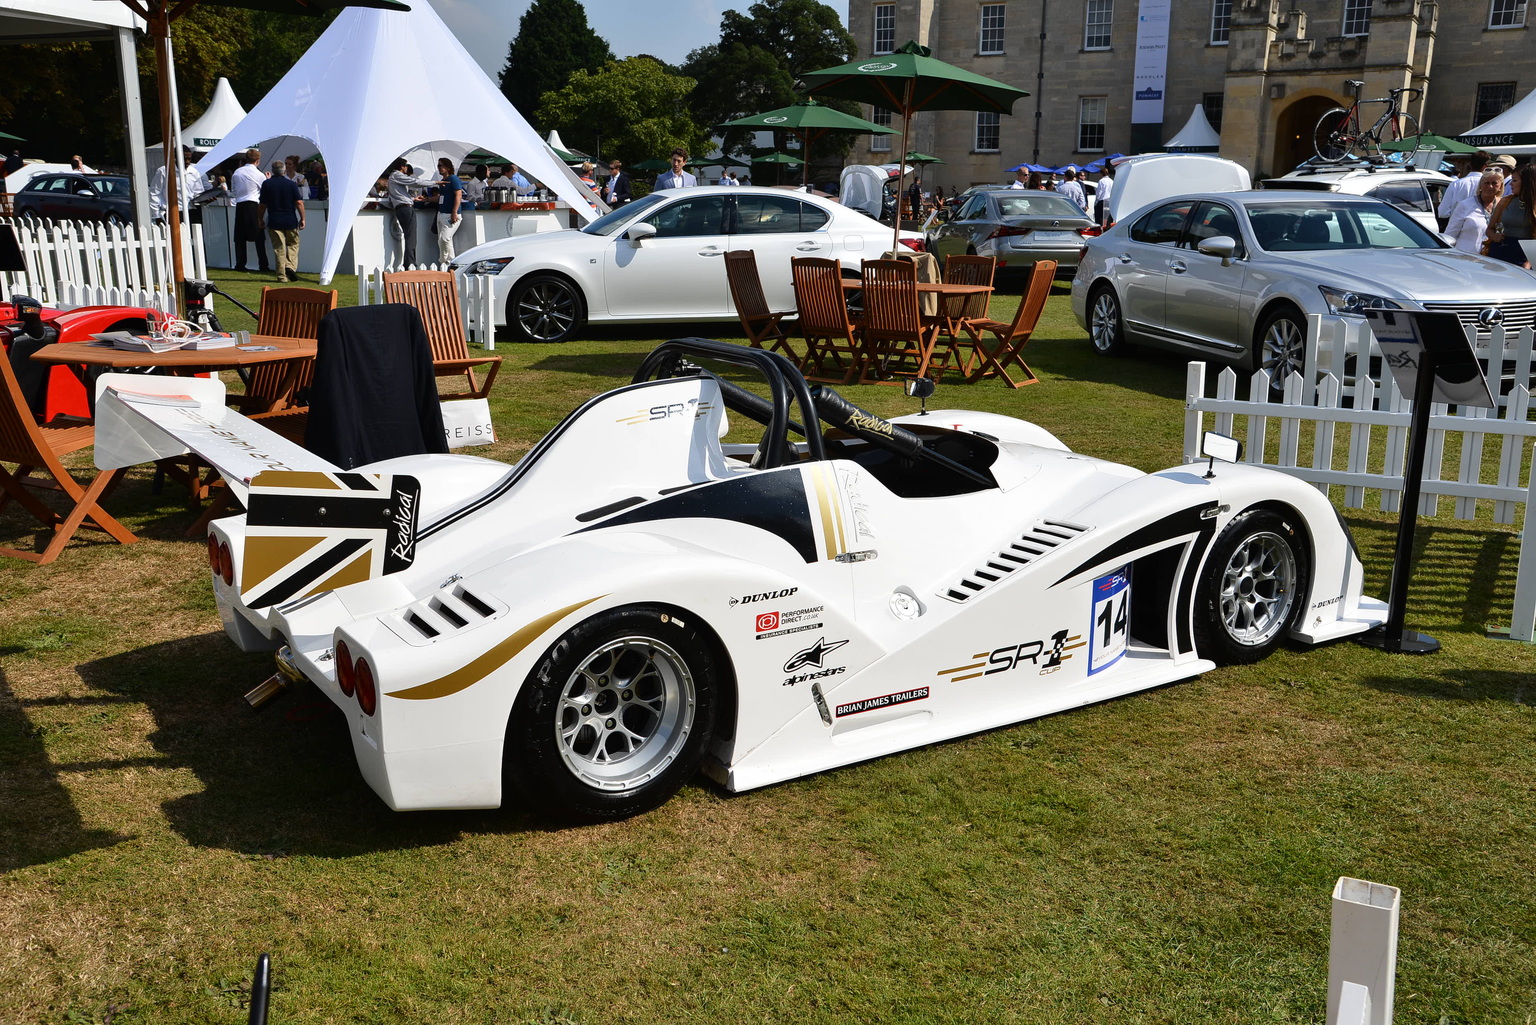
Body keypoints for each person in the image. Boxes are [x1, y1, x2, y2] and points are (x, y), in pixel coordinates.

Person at [258, 159, 305, 282]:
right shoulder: (291, 184)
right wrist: (303, 218)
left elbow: (262, 204)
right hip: (290, 220)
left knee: (279, 248)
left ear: (273, 171)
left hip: (274, 220)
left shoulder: (267, 184)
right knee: (293, 245)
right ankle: (290, 267)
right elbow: (299, 203)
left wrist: (260, 218)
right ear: (284, 170)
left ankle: (281, 276)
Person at [385, 157, 434, 268]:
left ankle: (409, 262)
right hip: (406, 208)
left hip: (403, 207)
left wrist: (413, 199)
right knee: (411, 237)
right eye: (406, 165)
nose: (407, 168)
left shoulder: (393, 177)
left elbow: (399, 195)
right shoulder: (396, 175)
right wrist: (435, 182)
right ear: (402, 166)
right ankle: (410, 263)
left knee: (409, 236)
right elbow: (415, 182)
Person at [1485, 161, 1534, 269]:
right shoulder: (1505, 201)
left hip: (1524, 257)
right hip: (1499, 252)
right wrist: (1494, 236)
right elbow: (1490, 229)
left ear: (1527, 182)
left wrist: (1529, 262)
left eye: (1515, 180)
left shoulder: (1534, 205)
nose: (1511, 183)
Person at [231, 148, 269, 273]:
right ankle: (263, 264)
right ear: (257, 161)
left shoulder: (237, 172)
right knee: (259, 236)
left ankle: (240, 264)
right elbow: (264, 190)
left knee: (240, 237)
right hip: (254, 204)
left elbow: (234, 191)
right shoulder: (259, 174)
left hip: (240, 204)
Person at [149, 146, 208, 225]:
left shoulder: (194, 172)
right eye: (184, 159)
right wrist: (157, 215)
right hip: (171, 213)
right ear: (176, 158)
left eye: (189, 159)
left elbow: (197, 193)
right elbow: (154, 193)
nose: (187, 162)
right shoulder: (164, 171)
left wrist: (206, 199)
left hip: (190, 211)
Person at [1446, 172, 1501, 255]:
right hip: (1465, 257)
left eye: (1494, 183)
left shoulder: (1503, 206)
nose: (1490, 186)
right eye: (1486, 183)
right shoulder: (1465, 205)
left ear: (1500, 186)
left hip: (1492, 259)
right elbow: (1450, 235)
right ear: (1480, 185)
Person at [434, 156, 464, 263]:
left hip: (450, 214)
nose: (439, 168)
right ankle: (450, 262)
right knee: (445, 240)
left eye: (440, 165)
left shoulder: (453, 179)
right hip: (441, 213)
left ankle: (443, 261)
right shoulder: (443, 181)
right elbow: (441, 197)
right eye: (438, 165)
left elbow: (458, 195)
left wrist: (454, 212)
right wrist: (427, 199)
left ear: (447, 167)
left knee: (444, 239)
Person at [1095, 163, 1115, 229]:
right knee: (1107, 218)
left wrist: (1096, 201)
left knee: (1099, 217)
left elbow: (1099, 192)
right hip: (1109, 201)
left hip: (1102, 201)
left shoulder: (1101, 181)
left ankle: (1099, 228)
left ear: (1101, 174)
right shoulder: (1111, 181)